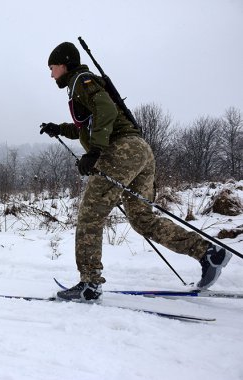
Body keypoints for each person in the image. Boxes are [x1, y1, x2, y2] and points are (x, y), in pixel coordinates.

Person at [40, 41, 232, 302]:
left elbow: (106, 111)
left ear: (63, 65)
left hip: (122, 151)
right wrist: (59, 128)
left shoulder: (80, 82)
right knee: (143, 219)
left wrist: (95, 151)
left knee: (90, 214)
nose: (51, 74)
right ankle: (208, 253)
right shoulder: (82, 86)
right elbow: (89, 124)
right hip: (140, 151)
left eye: (52, 68)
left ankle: (89, 283)